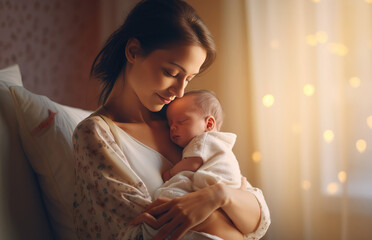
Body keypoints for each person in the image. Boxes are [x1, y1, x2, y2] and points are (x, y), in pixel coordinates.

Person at [72, 0, 270, 239]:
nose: (179, 92)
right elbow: (144, 232)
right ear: (133, 51)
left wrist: (218, 195)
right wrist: (223, 207)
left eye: (188, 79)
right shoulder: (96, 134)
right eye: (172, 73)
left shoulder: (183, 124)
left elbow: (259, 220)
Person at [149, 90, 244, 239]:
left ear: (209, 123)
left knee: (168, 194)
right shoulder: (219, 144)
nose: (173, 127)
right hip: (227, 194)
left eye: (181, 121)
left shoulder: (204, 140)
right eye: (170, 124)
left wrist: (170, 173)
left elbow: (192, 164)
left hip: (213, 185)